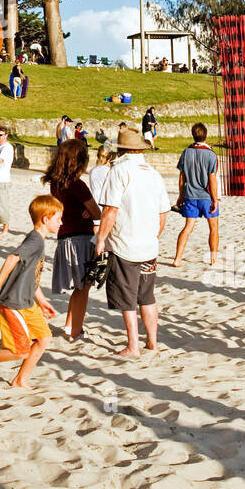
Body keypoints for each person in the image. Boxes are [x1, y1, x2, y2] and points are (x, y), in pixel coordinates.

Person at [0, 194, 62, 390]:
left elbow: (30, 275)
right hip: (14, 303)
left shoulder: (38, 240)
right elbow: (11, 259)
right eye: (58, 218)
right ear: (46, 219)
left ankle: (20, 379)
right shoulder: (35, 241)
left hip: (27, 302)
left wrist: (42, 300)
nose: (61, 222)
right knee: (19, 351)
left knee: (44, 338)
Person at [94, 126, 171, 358]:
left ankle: (133, 346)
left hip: (125, 243)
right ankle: (153, 342)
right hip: (149, 245)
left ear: (122, 149)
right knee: (147, 296)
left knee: (127, 297)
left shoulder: (119, 171)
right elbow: (163, 213)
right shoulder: (153, 173)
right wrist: (153, 235)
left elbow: (110, 210)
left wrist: (101, 239)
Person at [43, 139, 101, 340]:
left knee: (79, 287)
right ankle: (76, 330)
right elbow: (97, 212)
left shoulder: (56, 183)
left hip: (64, 237)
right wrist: (89, 210)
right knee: (83, 288)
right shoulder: (77, 185)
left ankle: (70, 325)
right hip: (81, 238)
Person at [172, 123, 220, 269]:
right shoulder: (211, 154)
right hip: (206, 196)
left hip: (190, 196)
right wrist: (215, 199)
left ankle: (178, 258)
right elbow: (212, 179)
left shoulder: (186, 153)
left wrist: (180, 196)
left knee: (187, 227)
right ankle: (213, 258)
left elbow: (182, 178)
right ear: (206, 135)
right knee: (214, 228)